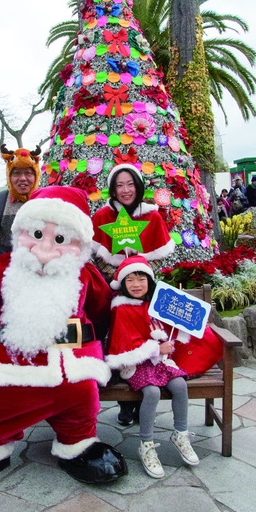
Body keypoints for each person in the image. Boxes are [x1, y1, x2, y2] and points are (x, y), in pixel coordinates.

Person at [0, 186, 127, 486]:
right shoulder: (7, 266)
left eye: (60, 239)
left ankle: (78, 443)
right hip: (7, 365)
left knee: (81, 393)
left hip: (66, 367)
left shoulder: (84, 274)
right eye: (38, 236)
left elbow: (103, 308)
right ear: (22, 233)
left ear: (79, 243)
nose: (44, 251)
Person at [92, 163, 175, 426]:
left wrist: (141, 277)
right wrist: (118, 279)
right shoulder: (104, 216)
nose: (125, 190)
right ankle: (125, 402)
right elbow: (95, 255)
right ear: (113, 189)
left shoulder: (152, 217)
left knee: (146, 337)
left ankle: (143, 399)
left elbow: (161, 256)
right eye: (119, 185)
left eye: (130, 184)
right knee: (119, 340)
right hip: (114, 290)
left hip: (145, 290)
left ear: (138, 186)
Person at [106, 256, 200, 478]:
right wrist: (157, 349)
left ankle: (180, 434)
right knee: (152, 392)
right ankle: (146, 444)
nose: (136, 284)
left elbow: (169, 327)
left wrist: (172, 338)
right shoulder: (121, 309)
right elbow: (124, 343)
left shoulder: (155, 304)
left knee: (179, 385)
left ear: (149, 281)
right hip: (134, 364)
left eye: (141, 279)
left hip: (160, 362)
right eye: (130, 280)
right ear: (123, 284)